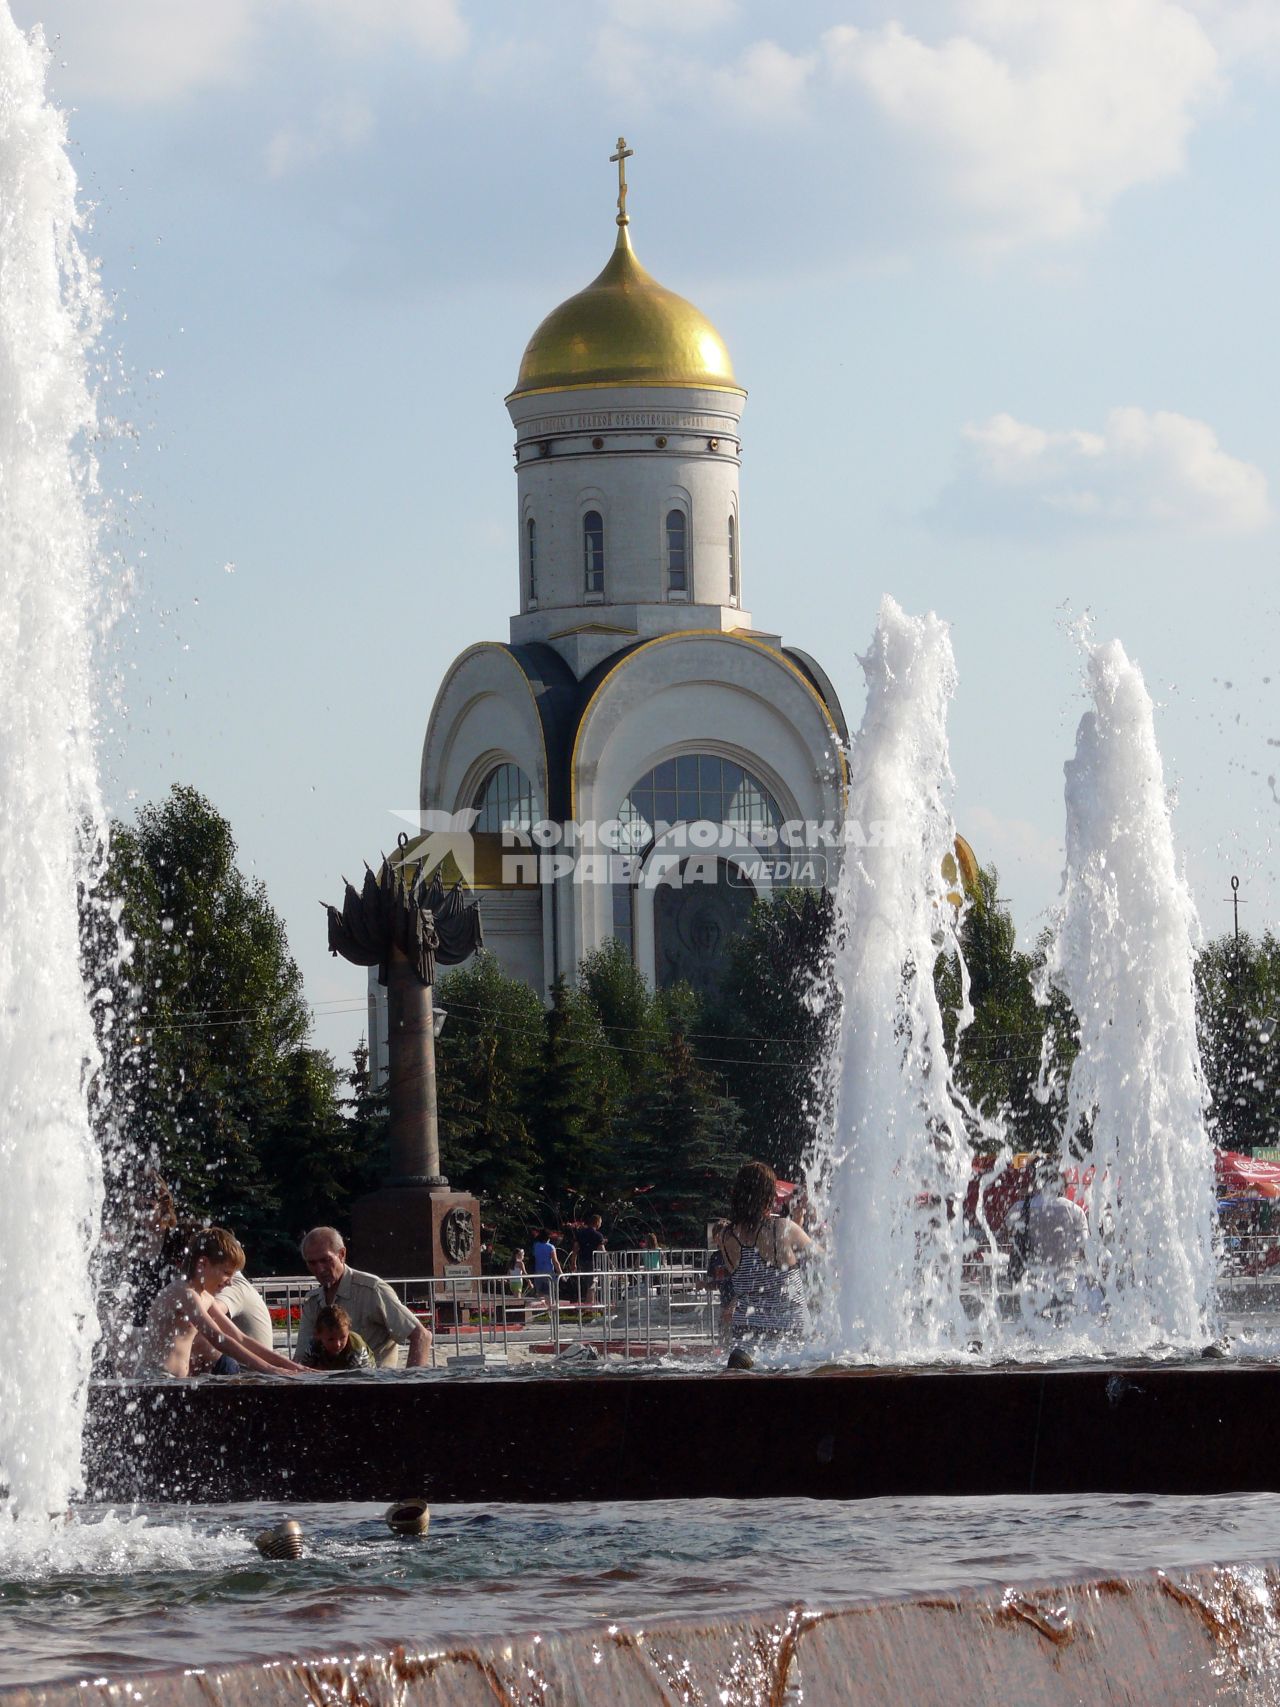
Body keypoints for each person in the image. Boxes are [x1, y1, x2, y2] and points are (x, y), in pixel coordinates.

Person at [135, 1226, 307, 1379]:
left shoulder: (206, 1297)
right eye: (226, 1272)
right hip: (155, 1377)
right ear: (203, 1263)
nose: (230, 1282)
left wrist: (292, 1366)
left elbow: (240, 1338)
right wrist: (268, 1369)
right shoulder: (184, 1292)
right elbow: (218, 1338)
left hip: (173, 1380)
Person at [296, 1227, 431, 1368]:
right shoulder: (312, 1302)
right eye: (312, 1263)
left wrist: (411, 1384)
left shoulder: (373, 1289)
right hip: (329, 1387)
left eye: (325, 1260)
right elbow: (300, 1359)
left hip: (374, 1385)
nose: (319, 1269)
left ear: (342, 1254)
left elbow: (421, 1336)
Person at [717, 1161, 816, 1352]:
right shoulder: (781, 1229)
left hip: (745, 1335)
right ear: (768, 1197)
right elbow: (825, 1259)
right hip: (790, 1339)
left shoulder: (725, 1237)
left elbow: (753, 1278)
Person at [301, 1304, 375, 1371]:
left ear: (348, 1331)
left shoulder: (356, 1347)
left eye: (342, 1337)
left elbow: (361, 1377)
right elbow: (303, 1370)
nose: (337, 1344)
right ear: (318, 1335)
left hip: (363, 1370)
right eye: (331, 1339)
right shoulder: (314, 1346)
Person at [572, 1214, 607, 1306]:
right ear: (597, 1223)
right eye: (600, 1222)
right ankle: (589, 1305)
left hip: (582, 1260)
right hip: (593, 1261)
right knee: (592, 1283)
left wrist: (573, 1262)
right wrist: (610, 1263)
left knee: (588, 1281)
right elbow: (602, 1251)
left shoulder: (580, 1233)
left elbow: (575, 1248)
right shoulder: (598, 1235)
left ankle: (591, 1301)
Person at [530, 1229, 563, 1303]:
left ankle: (541, 1310)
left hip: (538, 1271)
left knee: (540, 1293)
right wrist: (561, 1274)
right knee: (549, 1294)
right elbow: (555, 1262)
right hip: (548, 1272)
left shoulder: (536, 1245)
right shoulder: (550, 1247)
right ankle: (550, 1311)